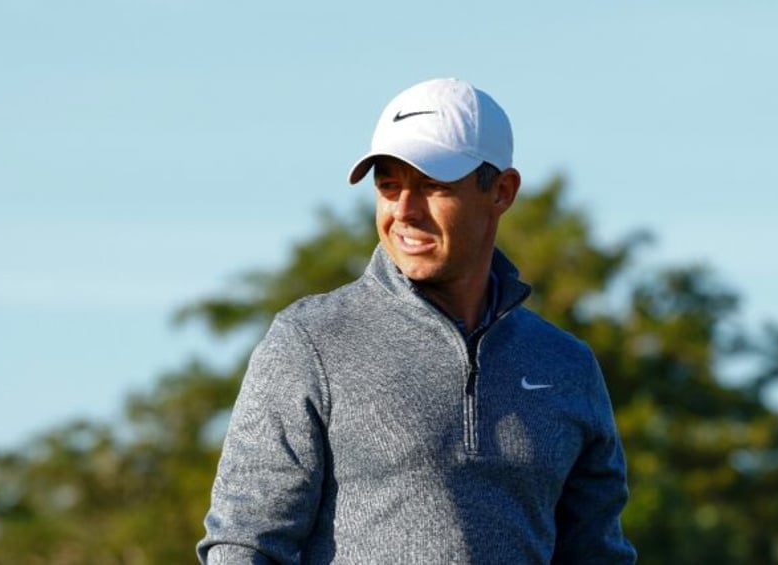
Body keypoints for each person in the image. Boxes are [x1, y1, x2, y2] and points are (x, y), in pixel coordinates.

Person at [197, 78, 636, 564]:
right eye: (389, 186)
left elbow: (597, 553)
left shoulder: (565, 366)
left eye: (433, 186)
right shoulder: (310, 342)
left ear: (502, 191)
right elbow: (245, 543)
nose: (404, 211)